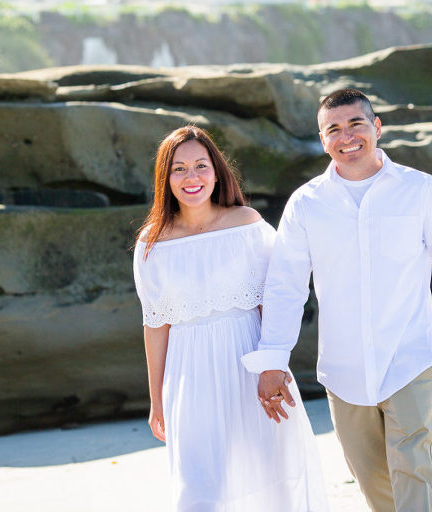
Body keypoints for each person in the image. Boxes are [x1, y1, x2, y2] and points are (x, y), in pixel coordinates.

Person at [241, 89, 432, 512]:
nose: (346, 137)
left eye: (356, 124)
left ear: (377, 127)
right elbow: (285, 287)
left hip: (410, 357)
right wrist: (272, 359)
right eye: (333, 129)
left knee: (414, 471)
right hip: (342, 370)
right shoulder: (306, 204)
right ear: (322, 139)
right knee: (374, 485)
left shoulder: (419, 189)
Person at [132, 125, 329, 512]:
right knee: (200, 488)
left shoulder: (247, 224)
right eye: (179, 168)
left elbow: (274, 300)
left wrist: (273, 365)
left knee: (275, 478)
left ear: (217, 171)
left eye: (201, 166)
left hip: (250, 363)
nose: (192, 178)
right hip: (188, 376)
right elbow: (155, 326)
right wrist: (157, 400)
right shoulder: (151, 244)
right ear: (165, 177)